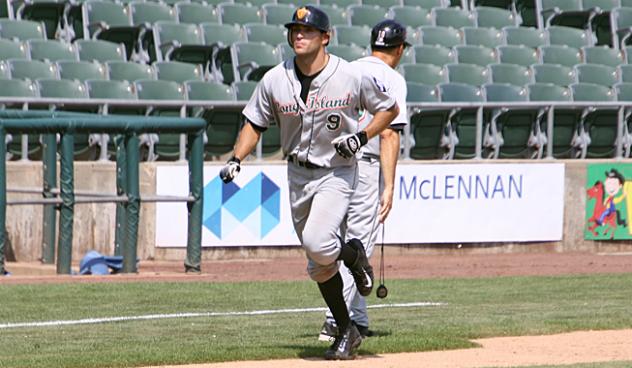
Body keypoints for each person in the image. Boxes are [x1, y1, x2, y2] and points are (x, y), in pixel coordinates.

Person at [218, 6, 399, 360]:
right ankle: (347, 327)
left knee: (318, 242)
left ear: (325, 37)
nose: (299, 35)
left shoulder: (349, 75)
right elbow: (254, 122)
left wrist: (361, 137)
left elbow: (389, 108)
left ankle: (351, 256)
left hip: (337, 170)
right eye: (295, 30)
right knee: (319, 264)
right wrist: (236, 158)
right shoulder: (275, 79)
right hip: (298, 174)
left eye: (307, 30)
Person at [318, 19, 410, 342]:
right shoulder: (393, 78)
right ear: (399, 49)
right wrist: (389, 185)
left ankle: (357, 316)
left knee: (341, 241)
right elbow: (388, 133)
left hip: (335, 163)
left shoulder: (347, 68)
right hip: (366, 164)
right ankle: (334, 320)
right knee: (359, 245)